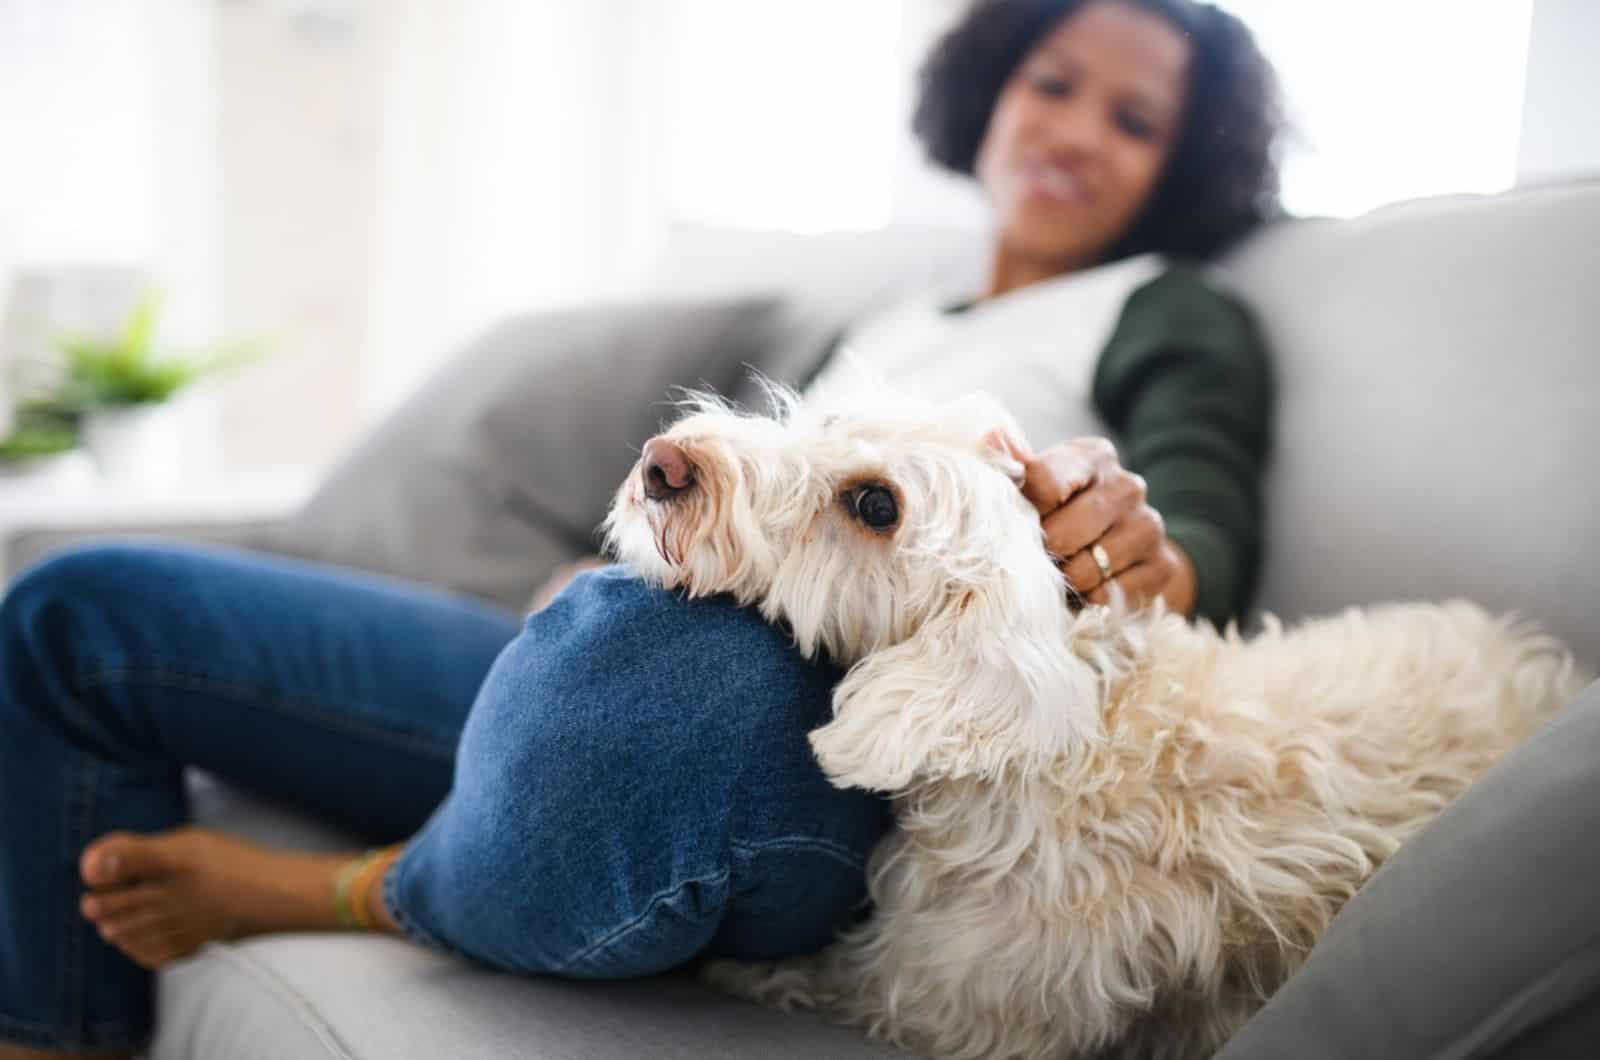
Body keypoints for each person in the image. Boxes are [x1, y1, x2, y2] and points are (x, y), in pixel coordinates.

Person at [0, 1, 1284, 1056]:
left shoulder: (1164, 308)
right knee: (78, 610)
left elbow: (1194, 530)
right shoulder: (905, 317)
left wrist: (1131, 543)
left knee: (660, 667)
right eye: (1052, 83)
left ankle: (364, 887)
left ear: (1183, 163)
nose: (1073, 130)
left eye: (1134, 120)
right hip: (618, 644)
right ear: (993, 88)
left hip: (809, 737)